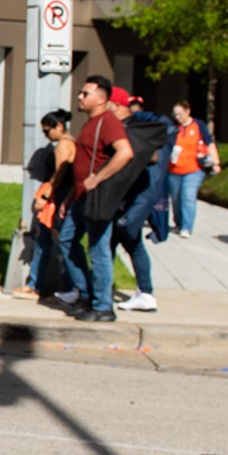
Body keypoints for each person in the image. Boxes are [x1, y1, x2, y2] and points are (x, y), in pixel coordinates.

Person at [57, 75, 134, 322]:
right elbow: (82, 163)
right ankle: (87, 294)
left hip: (96, 199)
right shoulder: (90, 123)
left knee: (98, 251)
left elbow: (125, 152)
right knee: (66, 240)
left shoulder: (108, 122)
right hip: (79, 197)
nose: (80, 97)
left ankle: (102, 306)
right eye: (80, 93)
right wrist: (69, 197)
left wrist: (97, 178)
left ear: (101, 99)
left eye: (85, 93)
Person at [108, 88, 176, 313]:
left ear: (115, 105)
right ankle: (134, 292)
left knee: (126, 240)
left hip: (135, 198)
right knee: (119, 242)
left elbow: (152, 157)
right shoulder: (134, 126)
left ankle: (143, 293)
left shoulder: (135, 127)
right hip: (128, 197)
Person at [15, 110, 76, 300]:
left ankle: (62, 287)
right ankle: (41, 284)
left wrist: (46, 195)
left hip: (57, 199)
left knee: (54, 243)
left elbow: (60, 172)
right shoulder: (69, 143)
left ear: (59, 126)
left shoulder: (63, 146)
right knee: (49, 242)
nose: (46, 135)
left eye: (47, 131)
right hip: (60, 197)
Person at [166, 99, 221, 238]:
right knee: (176, 198)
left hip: (194, 168)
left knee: (188, 196)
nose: (178, 117)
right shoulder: (172, 127)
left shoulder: (198, 125)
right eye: (175, 115)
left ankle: (187, 227)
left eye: (180, 114)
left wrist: (216, 163)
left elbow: (210, 143)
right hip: (174, 169)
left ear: (187, 111)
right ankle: (179, 222)